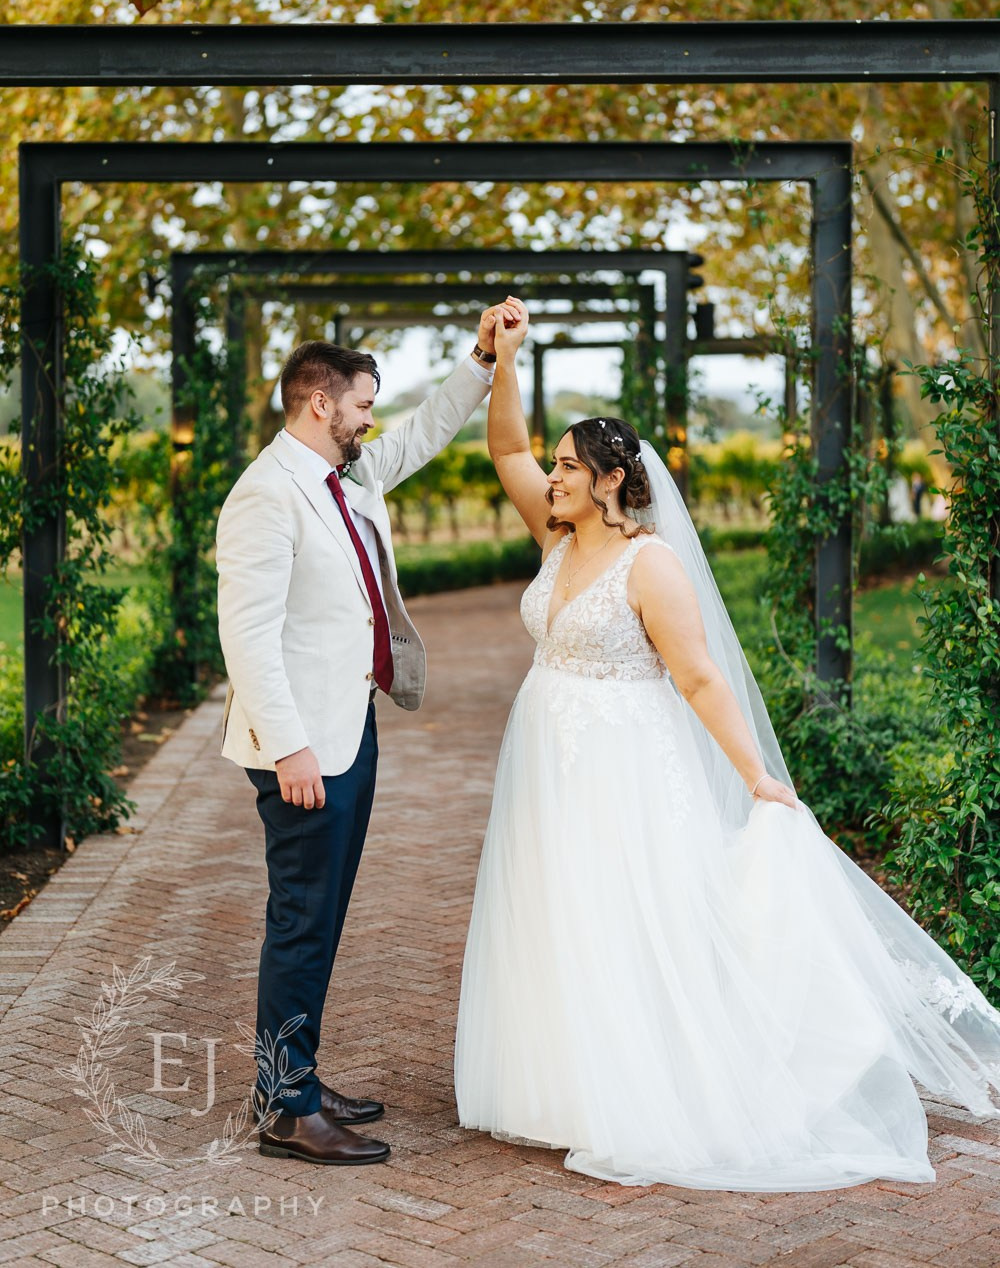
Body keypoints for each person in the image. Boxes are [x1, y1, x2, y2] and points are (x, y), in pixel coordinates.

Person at [455, 300, 1000, 1191]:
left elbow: (702, 678)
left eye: (567, 467)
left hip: (622, 762)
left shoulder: (651, 564)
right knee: (554, 906)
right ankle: (560, 1085)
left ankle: (638, 1088)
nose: (548, 475)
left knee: (622, 912)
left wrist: (759, 779)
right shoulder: (555, 537)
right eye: (553, 465)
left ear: (608, 481)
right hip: (543, 760)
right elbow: (504, 451)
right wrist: (501, 359)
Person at [217, 302, 521, 1167]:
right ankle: (286, 1109)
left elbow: (424, 433)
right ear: (321, 405)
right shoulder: (265, 496)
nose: (369, 420)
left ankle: (294, 1077)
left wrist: (481, 357)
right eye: (360, 405)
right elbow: (248, 636)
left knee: (324, 913)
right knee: (302, 919)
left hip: (349, 725)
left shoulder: (345, 476)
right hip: (303, 745)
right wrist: (288, 747)